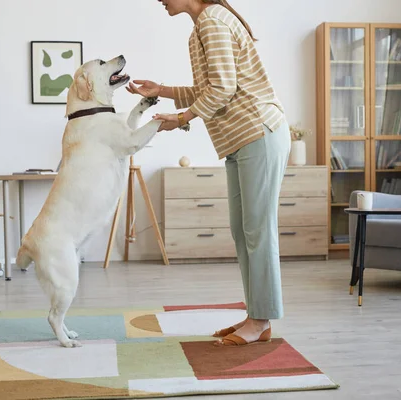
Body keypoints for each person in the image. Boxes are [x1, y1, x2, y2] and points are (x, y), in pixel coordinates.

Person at [127, 0, 290, 346]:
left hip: (257, 131)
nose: (159, 0)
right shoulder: (203, 26)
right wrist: (163, 91)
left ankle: (260, 319)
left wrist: (182, 118)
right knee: (244, 230)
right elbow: (211, 88)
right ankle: (257, 317)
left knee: (257, 229)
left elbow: (223, 89)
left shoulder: (213, 22)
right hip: (241, 138)